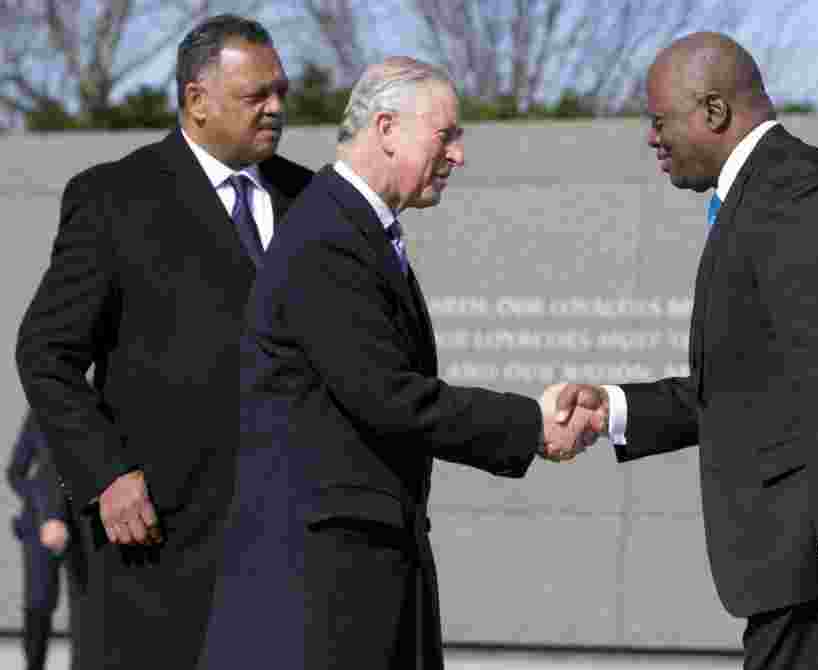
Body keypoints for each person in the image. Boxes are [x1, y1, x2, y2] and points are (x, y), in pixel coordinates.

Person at [553, 32, 818, 669]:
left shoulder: (791, 190)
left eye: (658, 120)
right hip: (812, 549)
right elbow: (752, 387)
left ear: (715, 112)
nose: (651, 137)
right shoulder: (765, 191)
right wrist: (615, 408)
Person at [200, 56, 592, 670]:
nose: (459, 155)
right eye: (447, 134)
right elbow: (389, 396)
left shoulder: (352, 230)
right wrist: (530, 425)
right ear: (386, 128)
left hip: (362, 578)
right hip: (320, 601)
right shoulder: (326, 238)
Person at [15, 14, 313, 669]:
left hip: (294, 544)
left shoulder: (313, 202)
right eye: (256, 95)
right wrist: (105, 475)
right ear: (196, 100)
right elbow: (46, 351)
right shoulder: (115, 198)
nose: (276, 108)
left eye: (282, 92)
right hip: (158, 546)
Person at [6, 411, 80, 670]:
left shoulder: (97, 407)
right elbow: (15, 472)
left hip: (83, 525)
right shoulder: (40, 413)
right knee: (38, 603)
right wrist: (41, 502)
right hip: (39, 526)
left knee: (86, 607)